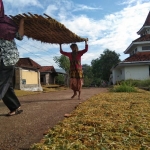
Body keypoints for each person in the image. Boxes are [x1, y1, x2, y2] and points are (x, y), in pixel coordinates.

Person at [0, 0, 24, 116]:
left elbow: (19, 36)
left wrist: (22, 22)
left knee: (1, 82)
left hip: (9, 57)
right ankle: (15, 107)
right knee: (6, 85)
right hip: (0, 57)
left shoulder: (8, 22)